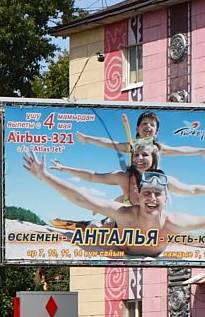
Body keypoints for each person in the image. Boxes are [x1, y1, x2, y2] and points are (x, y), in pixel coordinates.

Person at [23, 151, 205, 256]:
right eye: (147, 193)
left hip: (140, 248)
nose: (152, 198)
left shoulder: (174, 222)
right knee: (96, 229)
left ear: (166, 199)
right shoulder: (125, 213)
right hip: (114, 237)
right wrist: (45, 177)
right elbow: (82, 198)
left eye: (158, 194)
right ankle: (90, 225)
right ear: (138, 196)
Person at [49, 138, 205, 205]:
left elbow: (191, 190)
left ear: (154, 158)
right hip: (125, 230)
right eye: (136, 155)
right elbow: (92, 177)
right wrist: (64, 168)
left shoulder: (162, 180)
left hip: (150, 234)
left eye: (144, 155)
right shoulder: (124, 177)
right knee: (98, 228)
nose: (139, 158)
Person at [76, 110, 205, 159]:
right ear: (137, 128)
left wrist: (200, 150)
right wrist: (88, 138)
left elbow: (180, 150)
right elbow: (110, 143)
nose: (148, 127)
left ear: (156, 132)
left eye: (152, 125)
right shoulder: (132, 146)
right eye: (145, 124)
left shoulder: (158, 148)